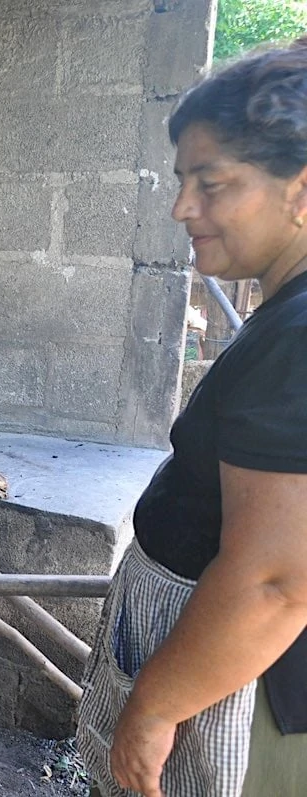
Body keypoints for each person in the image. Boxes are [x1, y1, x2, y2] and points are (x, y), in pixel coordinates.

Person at [75, 38, 307, 797]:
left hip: (231, 686)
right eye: (183, 182)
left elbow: (274, 582)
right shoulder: (285, 320)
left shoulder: (300, 338)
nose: (181, 207)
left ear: (300, 193)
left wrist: (154, 704)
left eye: (211, 183)